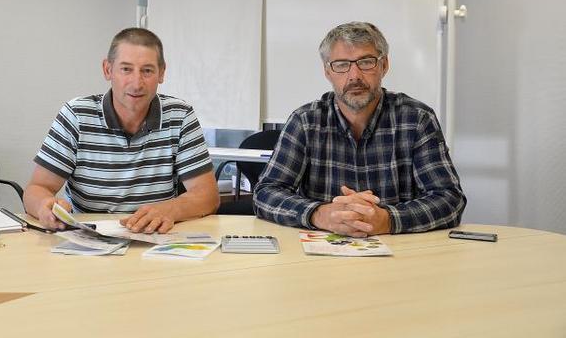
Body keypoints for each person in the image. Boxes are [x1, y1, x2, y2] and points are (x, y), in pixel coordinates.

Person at [254, 21, 466, 236]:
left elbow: (449, 199)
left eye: (366, 62)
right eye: (341, 64)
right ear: (328, 72)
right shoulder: (306, 121)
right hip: (322, 255)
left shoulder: (417, 119)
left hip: (400, 255)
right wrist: (319, 214)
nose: (354, 75)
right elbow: (265, 193)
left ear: (384, 66)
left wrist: (388, 219)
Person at [24, 28, 219, 234]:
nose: (136, 84)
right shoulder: (76, 115)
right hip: (89, 239)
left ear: (161, 73)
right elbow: (36, 189)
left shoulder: (180, 115)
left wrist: (169, 209)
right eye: (126, 69)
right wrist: (44, 206)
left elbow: (207, 196)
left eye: (147, 71)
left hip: (156, 238)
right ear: (108, 70)